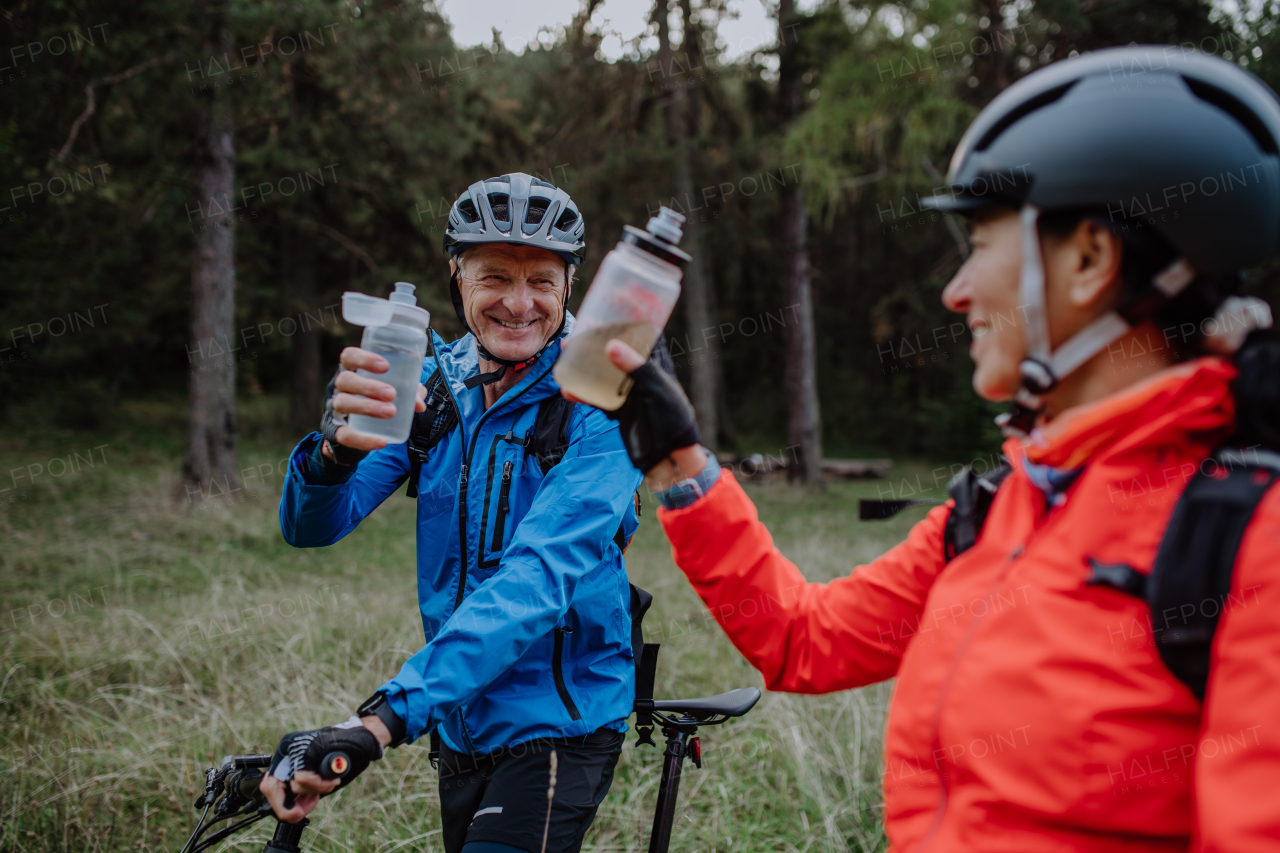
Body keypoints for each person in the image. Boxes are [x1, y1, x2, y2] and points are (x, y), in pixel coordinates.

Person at [580, 47, 1280, 852]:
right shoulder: (993, 512)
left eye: (980, 245)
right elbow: (803, 641)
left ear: (1089, 259)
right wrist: (681, 466)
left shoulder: (1246, 540)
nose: (954, 292)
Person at [263, 173, 644, 853]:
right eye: (495, 275)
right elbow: (311, 527)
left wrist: (382, 719)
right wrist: (332, 453)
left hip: (562, 720)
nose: (519, 303)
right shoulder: (433, 386)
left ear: (569, 288)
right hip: (461, 716)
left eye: (543, 282)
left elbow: (538, 580)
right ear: (456, 276)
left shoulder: (600, 401)